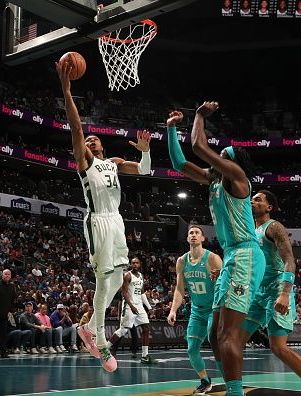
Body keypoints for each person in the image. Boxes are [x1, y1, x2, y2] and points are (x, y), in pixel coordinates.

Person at [56, 60, 152, 372]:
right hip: (97, 220)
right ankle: (99, 338)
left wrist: (146, 150)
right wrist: (67, 89)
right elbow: (76, 127)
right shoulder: (85, 162)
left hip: (117, 220)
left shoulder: (113, 161)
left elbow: (145, 170)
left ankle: (89, 328)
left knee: (118, 277)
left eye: (94, 139)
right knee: (102, 278)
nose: (90, 139)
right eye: (87, 139)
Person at [166, 104, 265, 396]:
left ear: (232, 162)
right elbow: (179, 163)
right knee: (214, 334)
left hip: (245, 253)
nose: (218, 158)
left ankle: (235, 392)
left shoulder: (237, 177)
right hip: (234, 254)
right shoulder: (213, 181)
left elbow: (198, 145)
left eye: (222, 156)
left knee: (227, 334)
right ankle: (234, 387)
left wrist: (198, 115)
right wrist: (171, 128)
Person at [238, 191, 301, 396]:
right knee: (233, 342)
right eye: (252, 199)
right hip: (257, 292)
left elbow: (290, 260)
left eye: (258, 200)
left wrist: (284, 293)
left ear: (269, 207)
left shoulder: (274, 227)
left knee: (278, 348)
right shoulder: (249, 229)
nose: (252, 202)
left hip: (276, 289)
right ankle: (234, 389)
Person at [167, 225, 223, 395]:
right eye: (190, 232)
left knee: (217, 346)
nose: (193, 235)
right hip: (197, 310)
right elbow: (179, 289)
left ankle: (232, 382)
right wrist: (173, 310)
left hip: (214, 308)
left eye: (197, 232)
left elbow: (224, 284)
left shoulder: (212, 258)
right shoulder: (182, 261)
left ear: (203, 238)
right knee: (191, 349)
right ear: (187, 238)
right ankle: (205, 381)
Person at [107, 257, 157, 364]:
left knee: (146, 327)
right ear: (131, 264)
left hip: (139, 306)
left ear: (140, 264)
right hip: (129, 306)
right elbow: (124, 293)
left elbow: (142, 292)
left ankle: (144, 356)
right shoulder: (127, 275)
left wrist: (149, 307)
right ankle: (105, 348)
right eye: (133, 263)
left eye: (136, 263)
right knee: (123, 330)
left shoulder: (141, 276)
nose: (134, 264)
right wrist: (131, 306)